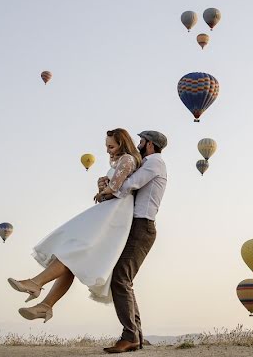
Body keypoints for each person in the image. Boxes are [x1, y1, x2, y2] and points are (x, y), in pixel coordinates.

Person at [6, 129, 142, 323]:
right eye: (106, 146)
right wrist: (103, 185)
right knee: (73, 258)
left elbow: (115, 189)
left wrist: (105, 190)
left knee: (73, 250)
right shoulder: (122, 161)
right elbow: (112, 188)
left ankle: (36, 283)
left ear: (122, 143)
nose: (107, 150)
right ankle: (45, 305)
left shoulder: (127, 159)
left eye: (110, 146)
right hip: (110, 210)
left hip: (114, 214)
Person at [100, 130, 168, 354]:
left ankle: (130, 336)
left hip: (143, 227)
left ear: (150, 145)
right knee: (123, 279)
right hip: (136, 226)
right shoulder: (148, 162)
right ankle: (135, 336)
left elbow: (130, 185)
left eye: (141, 141)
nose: (138, 144)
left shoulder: (154, 163)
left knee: (120, 277)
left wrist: (110, 189)